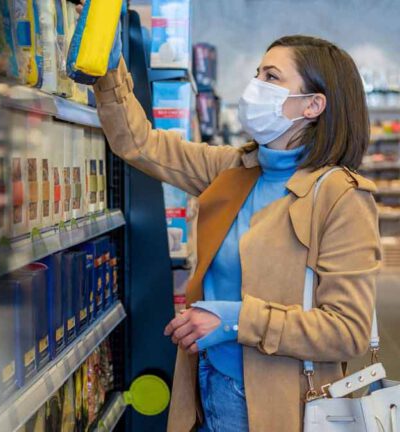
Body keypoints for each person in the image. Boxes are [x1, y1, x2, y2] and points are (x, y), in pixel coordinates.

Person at [93, 34, 380, 432]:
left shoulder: (340, 196)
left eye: (272, 76)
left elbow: (348, 331)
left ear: (313, 105)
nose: (255, 86)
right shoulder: (234, 170)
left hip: (279, 404)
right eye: (257, 72)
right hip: (207, 381)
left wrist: (235, 320)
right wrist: (108, 72)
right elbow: (140, 145)